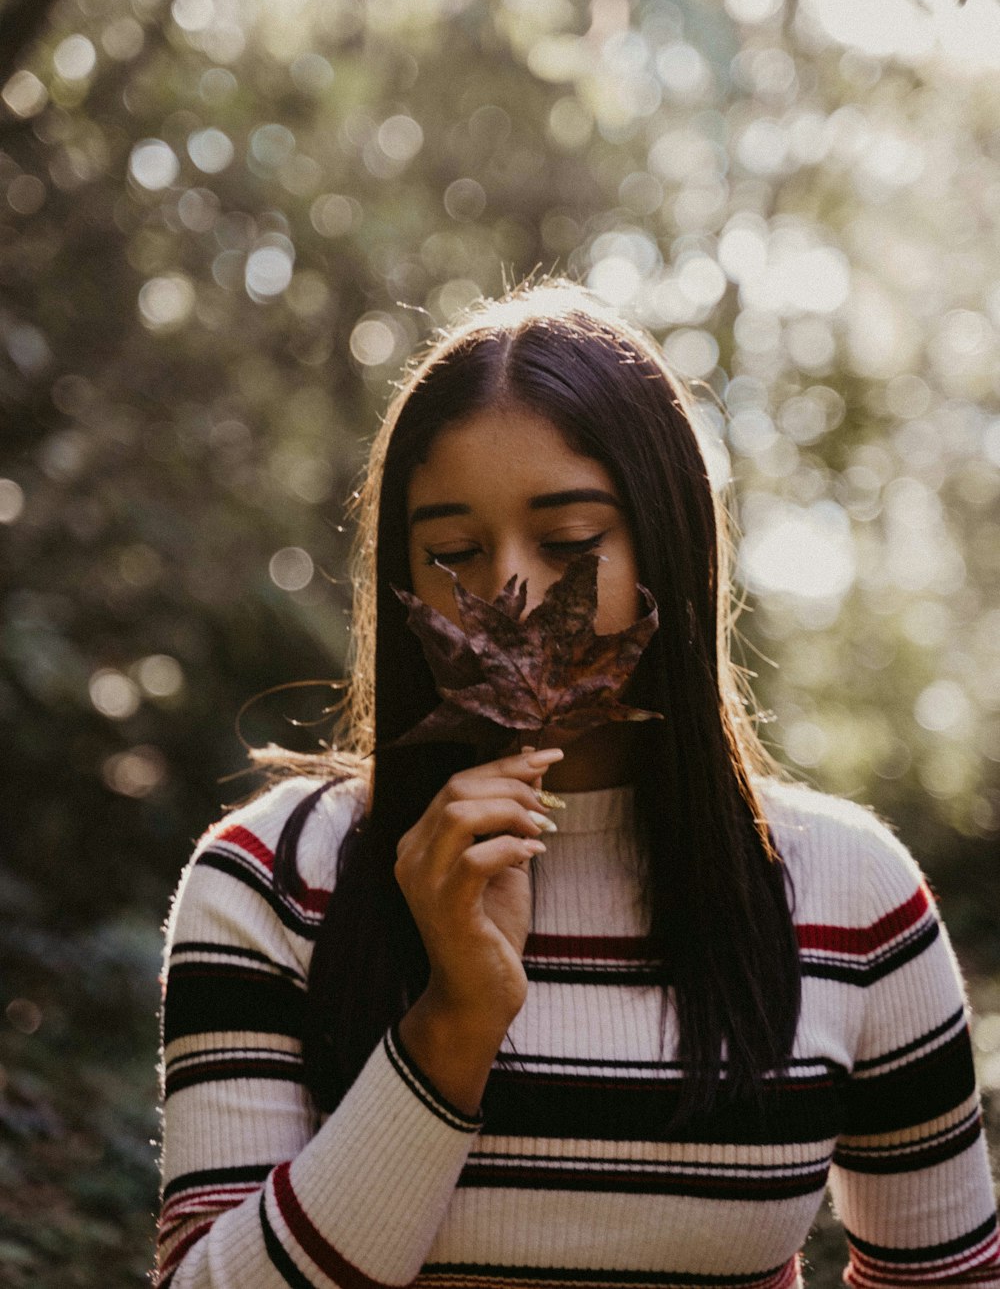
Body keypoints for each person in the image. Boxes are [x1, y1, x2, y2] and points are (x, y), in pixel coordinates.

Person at [155, 279, 999, 1289]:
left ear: (667, 550)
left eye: (567, 545)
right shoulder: (269, 878)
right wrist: (452, 1024)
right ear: (402, 581)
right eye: (455, 554)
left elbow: (943, 1280)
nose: (509, 595)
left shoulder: (849, 891)